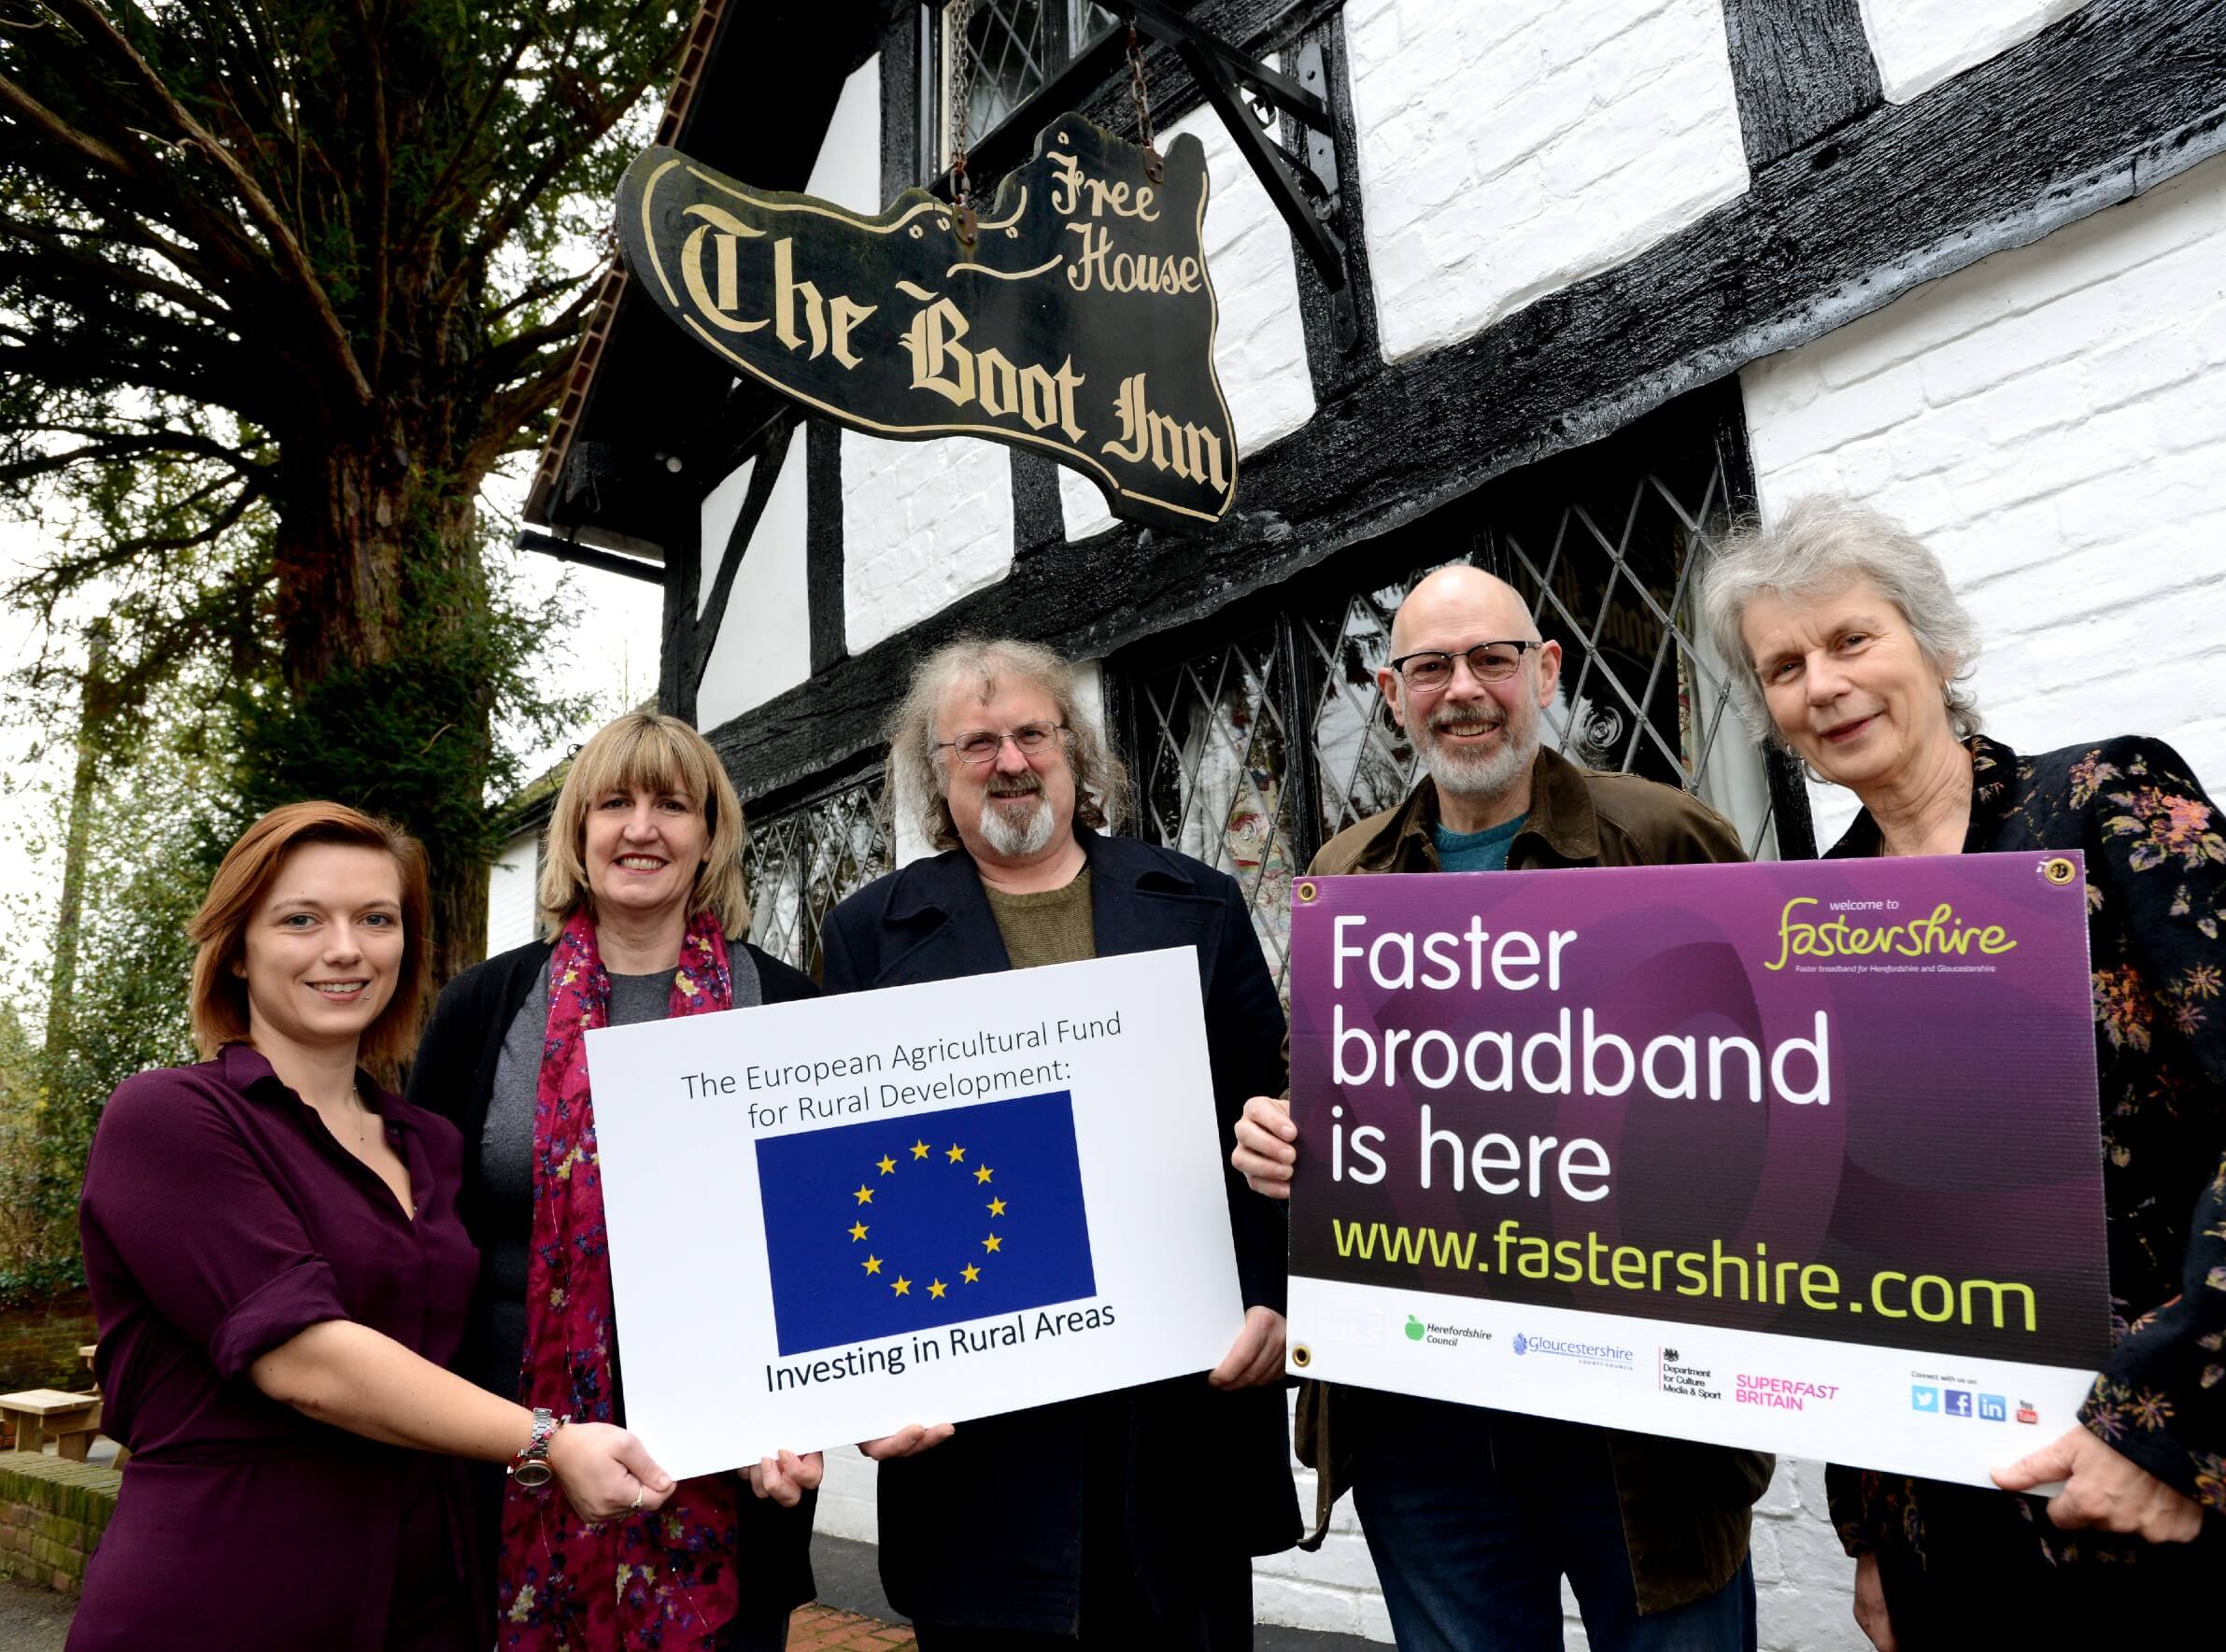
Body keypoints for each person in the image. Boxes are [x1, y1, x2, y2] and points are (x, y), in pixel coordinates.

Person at [1701, 493, 2226, 1648]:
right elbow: (1847, 1230)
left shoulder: (2103, 807)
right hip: (1958, 1520)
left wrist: (2156, 1429)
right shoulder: (1814, 915)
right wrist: (1871, 1530)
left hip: (2202, 1482)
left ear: (1938, 645)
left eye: (1851, 639)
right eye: (1783, 665)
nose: (1822, 684)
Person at [1230, 565, 1772, 1652]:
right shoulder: (1347, 871)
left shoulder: (1667, 836)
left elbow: (1778, 1095)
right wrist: (1277, 1137)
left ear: (1546, 671)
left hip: (1634, 1412)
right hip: (1419, 1411)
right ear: (1392, 693)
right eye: (1429, 665)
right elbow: (1326, 1084)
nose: (1462, 688)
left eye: (1491, 658)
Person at [72, 802, 673, 1652]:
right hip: (231, 1587)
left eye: (376, 919)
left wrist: (753, 1417)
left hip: (430, 1593)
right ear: (238, 947)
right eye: (302, 919)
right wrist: (550, 1441)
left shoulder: (429, 1142)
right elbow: (305, 1357)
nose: (346, 948)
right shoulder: (168, 1118)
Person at [818, 636, 1298, 1648]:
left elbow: (1271, 1120)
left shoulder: (1198, 902)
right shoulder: (869, 932)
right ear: (933, 772)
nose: (1009, 759)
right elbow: (843, 1171)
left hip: (1176, 1411)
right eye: (975, 742)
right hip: (976, 1436)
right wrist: (866, 1378)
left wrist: (1269, 1296)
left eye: (1031, 731)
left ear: (1074, 749)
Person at [408, 712, 821, 1650]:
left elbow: (820, 1241)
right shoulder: (483, 1008)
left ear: (708, 833)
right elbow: (425, 1237)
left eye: (672, 803)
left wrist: (810, 1412)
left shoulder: (787, 1004)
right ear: (579, 833)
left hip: (730, 1465)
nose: (642, 827)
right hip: (510, 1459)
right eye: (615, 803)